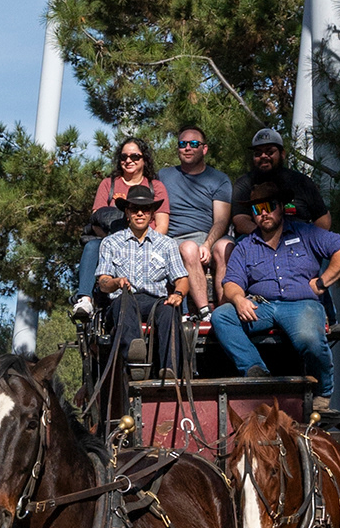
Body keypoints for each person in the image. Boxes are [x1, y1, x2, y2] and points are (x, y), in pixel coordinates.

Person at [208, 185, 340, 387]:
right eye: (256, 209)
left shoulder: (307, 233)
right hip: (262, 307)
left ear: (281, 207)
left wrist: (322, 282)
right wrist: (238, 299)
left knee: (309, 340)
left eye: (269, 206)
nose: (263, 213)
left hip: (302, 304)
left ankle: (322, 392)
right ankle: (255, 370)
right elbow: (232, 282)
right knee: (222, 316)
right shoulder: (245, 245)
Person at [93, 181, 191, 374]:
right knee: (124, 304)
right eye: (135, 209)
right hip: (124, 301)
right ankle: (135, 360)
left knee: (169, 311)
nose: (140, 214)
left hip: (155, 301)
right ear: (127, 213)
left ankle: (169, 370)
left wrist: (178, 294)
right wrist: (116, 282)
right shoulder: (110, 243)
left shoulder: (167, 244)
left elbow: (182, 278)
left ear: (152, 214)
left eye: (145, 209)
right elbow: (103, 282)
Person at [71, 137, 168, 318]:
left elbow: (162, 225)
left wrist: (143, 241)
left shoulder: (156, 187)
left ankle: (183, 312)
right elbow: (96, 221)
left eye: (134, 156)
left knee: (174, 252)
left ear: (144, 159)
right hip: (112, 241)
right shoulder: (109, 184)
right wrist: (115, 241)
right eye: (124, 157)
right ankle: (85, 299)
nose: (128, 160)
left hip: (149, 242)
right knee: (92, 246)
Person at [158, 122, 234, 322]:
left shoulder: (219, 179)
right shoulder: (164, 176)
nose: (188, 148)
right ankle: (204, 311)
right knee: (190, 248)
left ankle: (225, 309)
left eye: (193, 143)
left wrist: (208, 244)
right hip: (175, 239)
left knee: (225, 246)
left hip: (209, 236)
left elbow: (221, 220)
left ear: (204, 149)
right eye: (183, 144)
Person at [229, 126, 331, 238]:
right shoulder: (244, 183)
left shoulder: (301, 181)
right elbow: (240, 221)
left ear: (282, 154)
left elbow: (323, 218)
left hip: (300, 241)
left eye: (269, 152)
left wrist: (310, 241)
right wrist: (270, 238)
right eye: (258, 153)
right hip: (258, 240)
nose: (263, 156)